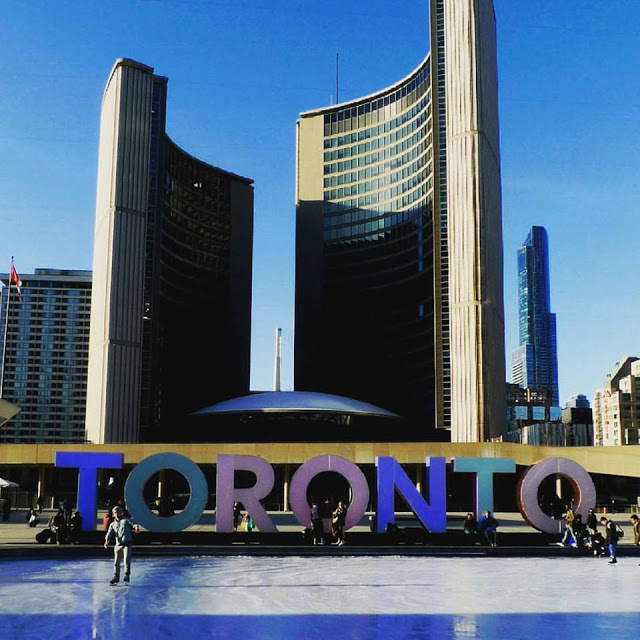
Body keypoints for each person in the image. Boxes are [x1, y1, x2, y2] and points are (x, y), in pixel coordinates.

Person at [104, 506, 140, 585]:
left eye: (118, 512)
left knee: (126, 560)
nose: (117, 513)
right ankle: (116, 576)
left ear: (122, 512)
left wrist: (136, 527)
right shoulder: (113, 524)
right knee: (116, 562)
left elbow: (133, 523)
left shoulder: (126, 520)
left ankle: (127, 575)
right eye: (115, 512)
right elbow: (109, 533)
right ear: (113, 514)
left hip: (127, 544)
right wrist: (107, 541)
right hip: (118, 545)